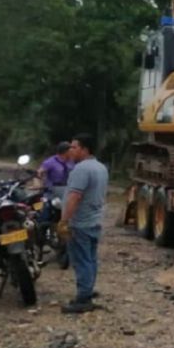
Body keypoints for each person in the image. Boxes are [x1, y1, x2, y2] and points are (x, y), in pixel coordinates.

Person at [58, 133, 108, 314]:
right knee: (90, 259)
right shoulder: (101, 167)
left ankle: (83, 298)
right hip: (94, 221)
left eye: (74, 147)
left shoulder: (81, 169)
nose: (71, 150)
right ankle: (88, 289)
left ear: (84, 149)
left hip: (80, 223)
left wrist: (64, 221)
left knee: (81, 260)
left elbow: (74, 196)